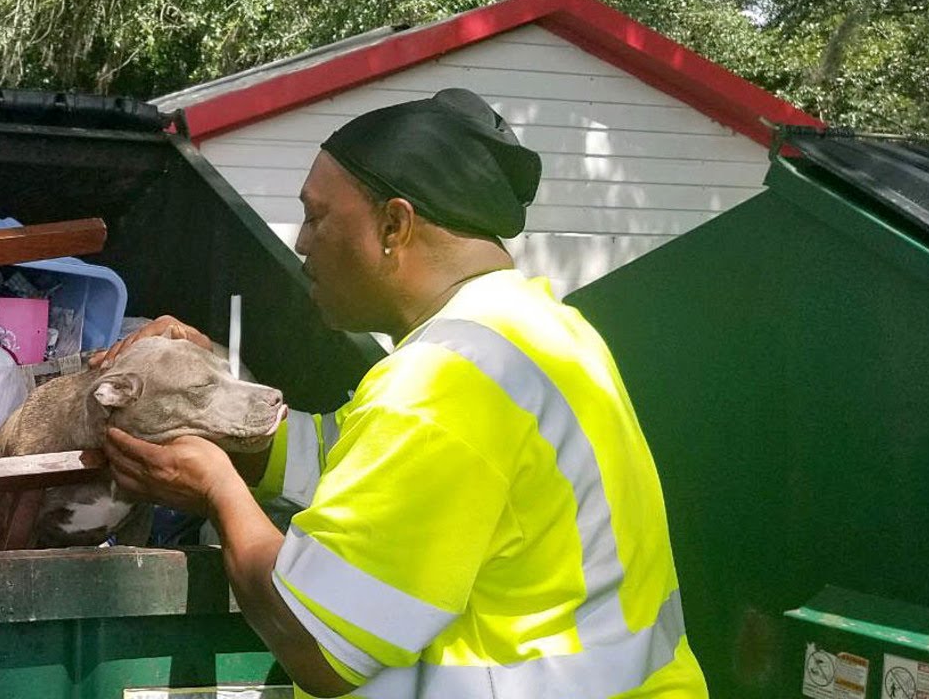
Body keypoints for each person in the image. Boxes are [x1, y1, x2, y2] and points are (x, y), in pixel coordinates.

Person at [91, 89, 709, 698]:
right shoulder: (540, 329)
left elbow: (316, 644)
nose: (302, 242)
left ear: (394, 224)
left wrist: (216, 489)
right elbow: (355, 460)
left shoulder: (441, 385)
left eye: (317, 216)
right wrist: (196, 388)